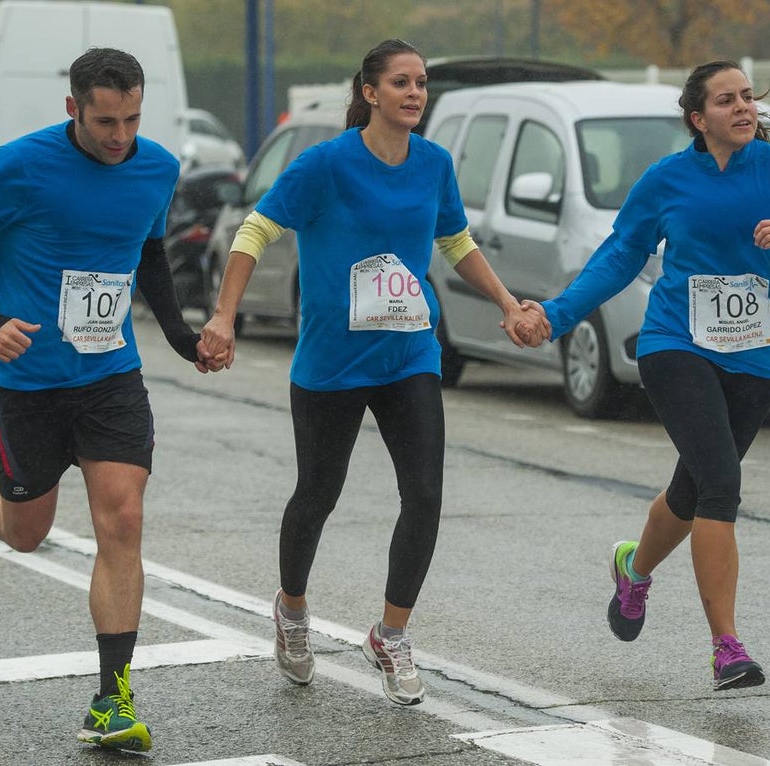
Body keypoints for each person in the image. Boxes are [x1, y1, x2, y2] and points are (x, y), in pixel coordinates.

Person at [200, 38, 545, 706]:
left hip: (409, 352)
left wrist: (506, 303)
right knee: (318, 494)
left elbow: (455, 240)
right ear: (370, 92)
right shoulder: (325, 165)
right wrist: (222, 316)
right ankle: (292, 610)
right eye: (401, 83)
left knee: (424, 495)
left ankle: (391, 632)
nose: (415, 94)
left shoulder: (434, 163)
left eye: (421, 84)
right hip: (333, 360)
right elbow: (255, 231)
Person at [517, 60, 770, 691]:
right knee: (722, 484)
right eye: (726, 100)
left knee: (692, 490)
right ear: (699, 119)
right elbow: (621, 253)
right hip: (675, 345)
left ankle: (634, 569)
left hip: (754, 357)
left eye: (748, 97)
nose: (743, 107)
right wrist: (559, 315)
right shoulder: (667, 180)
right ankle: (726, 647)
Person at [0, 47, 220, 753]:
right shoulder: (19, 164)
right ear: (73, 110)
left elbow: (147, 249)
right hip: (24, 381)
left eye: (132, 119)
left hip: (109, 374)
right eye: (105, 121)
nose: (120, 136)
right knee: (28, 532)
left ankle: (111, 698)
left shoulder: (155, 167)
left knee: (123, 518)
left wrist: (179, 336)